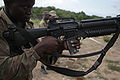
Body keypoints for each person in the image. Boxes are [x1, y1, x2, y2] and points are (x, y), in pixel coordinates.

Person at [0, 0, 80, 80]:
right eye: (25, 7)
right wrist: (38, 50)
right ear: (7, 3)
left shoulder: (26, 24)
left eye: (31, 6)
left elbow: (47, 60)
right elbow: (3, 72)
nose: (29, 12)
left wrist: (60, 46)